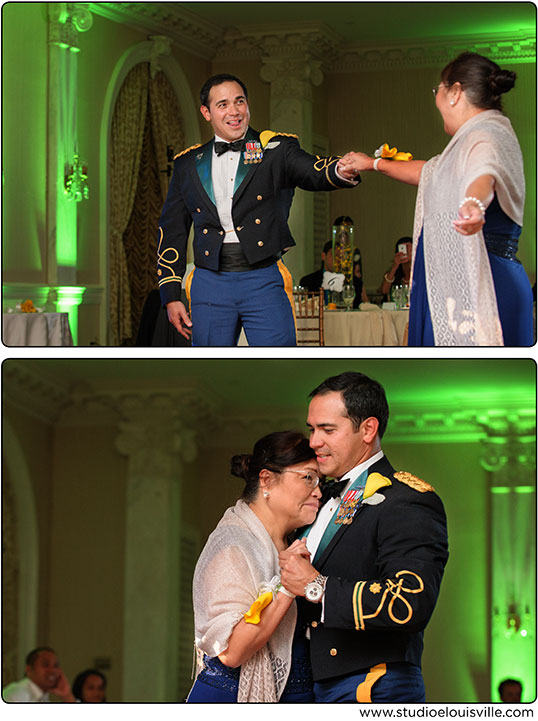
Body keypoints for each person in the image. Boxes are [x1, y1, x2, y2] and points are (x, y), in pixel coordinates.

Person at [339, 52, 533, 346]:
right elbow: (430, 171)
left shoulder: (487, 136)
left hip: (486, 281)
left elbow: (484, 175)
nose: (437, 99)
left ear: (455, 92)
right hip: (453, 283)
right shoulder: (471, 139)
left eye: (438, 90)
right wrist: (373, 164)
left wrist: (474, 204)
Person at [278, 372, 449, 703]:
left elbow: (409, 604)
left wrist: (317, 587)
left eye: (327, 430)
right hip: (309, 687)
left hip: (373, 686)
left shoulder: (407, 500)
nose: (313, 441)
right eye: (312, 429)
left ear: (368, 429)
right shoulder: (318, 498)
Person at [157, 73, 359, 346]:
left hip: (263, 277)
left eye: (240, 102)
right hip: (209, 282)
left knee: (277, 365)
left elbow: (312, 171)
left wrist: (341, 168)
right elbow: (172, 230)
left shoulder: (275, 148)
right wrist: (170, 294)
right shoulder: (188, 163)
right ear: (206, 113)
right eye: (223, 104)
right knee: (213, 369)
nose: (234, 111)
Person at [187, 431, 321, 703]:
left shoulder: (300, 542)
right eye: (308, 477)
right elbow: (231, 653)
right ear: (266, 480)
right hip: (229, 698)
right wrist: (287, 586)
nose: (318, 491)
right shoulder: (231, 545)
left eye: (320, 480)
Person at [3, 647, 76, 702]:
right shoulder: (18, 694)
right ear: (29, 670)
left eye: (55, 666)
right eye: (46, 665)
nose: (52, 670)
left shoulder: (43, 695)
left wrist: (67, 695)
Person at [379, 236, 412, 301]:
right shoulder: (393, 273)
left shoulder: (421, 272)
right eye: (404, 249)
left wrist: (413, 260)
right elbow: (384, 290)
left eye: (409, 249)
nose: (406, 252)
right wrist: (395, 265)